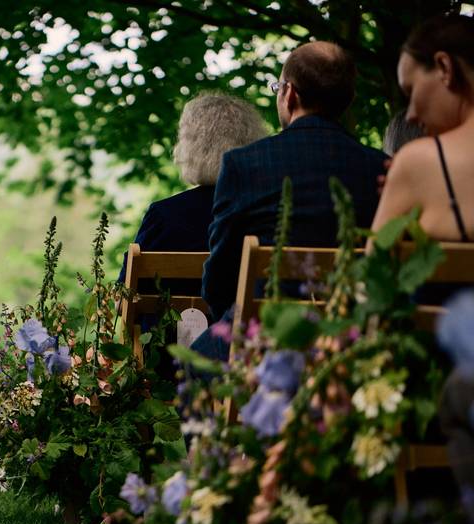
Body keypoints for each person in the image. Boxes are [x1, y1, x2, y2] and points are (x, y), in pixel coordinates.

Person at [201, 41, 388, 321]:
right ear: (347, 100)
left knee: (191, 363)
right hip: (350, 332)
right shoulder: (380, 167)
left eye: (278, 88)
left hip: (263, 331)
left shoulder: (243, 164)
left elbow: (220, 277)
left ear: (289, 94)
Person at [117, 92, 269, 291]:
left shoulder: (164, 216)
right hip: (245, 323)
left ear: (191, 147)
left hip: (172, 323)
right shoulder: (270, 210)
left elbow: (123, 300)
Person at [372, 14, 474, 243]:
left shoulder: (419, 161)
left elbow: (377, 273)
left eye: (410, 91)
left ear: (444, 67)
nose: (410, 116)